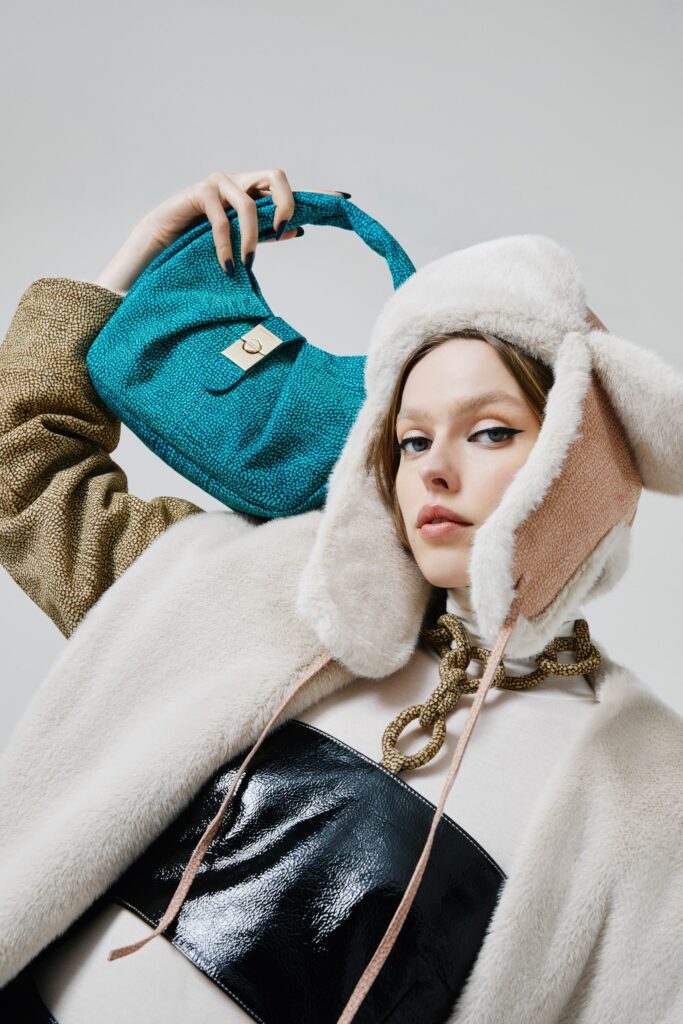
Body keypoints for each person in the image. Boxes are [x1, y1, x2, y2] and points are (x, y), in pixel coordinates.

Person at [0, 169, 682, 1024]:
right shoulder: (248, 587)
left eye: (490, 432)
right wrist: (146, 254)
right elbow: (23, 470)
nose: (434, 469)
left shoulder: (644, 789)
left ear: (585, 457)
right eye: (411, 438)